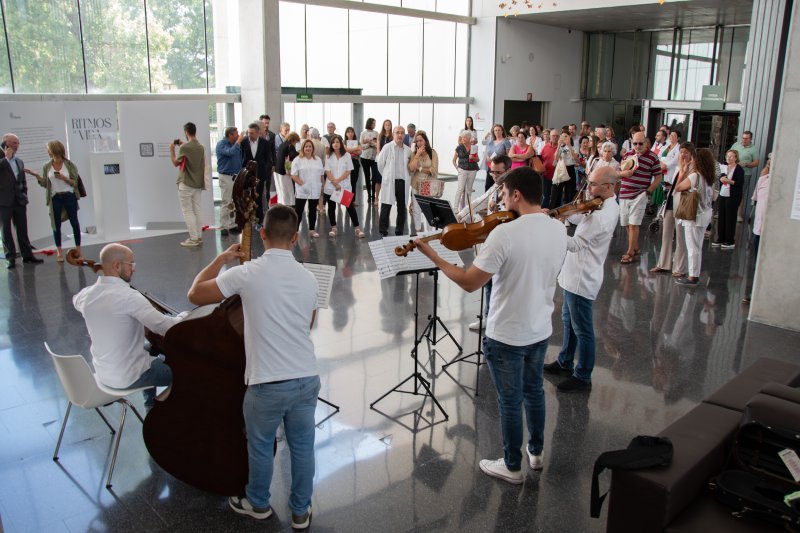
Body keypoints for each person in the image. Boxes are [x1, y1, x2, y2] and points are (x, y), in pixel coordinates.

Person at [414, 166, 567, 484]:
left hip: (507, 334)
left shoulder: (505, 234)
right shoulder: (558, 229)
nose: (499, 201)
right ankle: (535, 453)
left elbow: (471, 283)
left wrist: (435, 257)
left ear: (516, 195)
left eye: (502, 194)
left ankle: (512, 466)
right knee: (534, 392)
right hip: (540, 329)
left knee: (510, 401)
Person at [186, 205, 319, 528]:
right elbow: (310, 322)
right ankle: (301, 511)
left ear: (262, 234)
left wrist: (219, 260)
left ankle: (257, 503)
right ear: (296, 237)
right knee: (302, 447)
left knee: (260, 445)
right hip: (306, 377)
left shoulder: (247, 273)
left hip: (267, 382)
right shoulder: (310, 277)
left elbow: (195, 295)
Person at [73, 243, 182, 409]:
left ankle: (151, 407)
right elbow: (165, 327)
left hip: (104, 373)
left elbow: (77, 301)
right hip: (129, 376)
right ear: (117, 266)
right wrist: (185, 316)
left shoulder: (86, 296)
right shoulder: (129, 297)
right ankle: (165, 418)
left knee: (150, 348)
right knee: (189, 370)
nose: (134, 268)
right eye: (131, 264)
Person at [544, 166, 620, 392]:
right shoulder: (602, 204)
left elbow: (575, 244)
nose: (589, 188)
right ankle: (565, 361)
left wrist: (554, 227)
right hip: (574, 274)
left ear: (609, 186)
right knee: (568, 320)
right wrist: (566, 213)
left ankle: (583, 375)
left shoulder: (603, 215)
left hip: (582, 278)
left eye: (594, 184)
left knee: (583, 329)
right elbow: (581, 218)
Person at [618, 131, 662, 264]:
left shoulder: (653, 157)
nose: (637, 146)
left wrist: (648, 191)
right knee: (626, 223)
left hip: (640, 194)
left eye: (640, 143)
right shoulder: (627, 155)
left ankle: (630, 252)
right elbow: (621, 173)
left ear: (646, 142)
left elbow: (658, 177)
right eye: (635, 143)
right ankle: (635, 247)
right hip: (625, 192)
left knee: (634, 224)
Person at [673, 148, 715, 286]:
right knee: (697, 245)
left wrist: (683, 171)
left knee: (692, 246)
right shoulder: (709, 177)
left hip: (694, 215)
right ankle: (694, 273)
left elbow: (678, 188)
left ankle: (693, 276)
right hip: (705, 213)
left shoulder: (695, 176)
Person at [2, 133, 42, 269]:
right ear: (5, 143)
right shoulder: (2, 159)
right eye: (14, 143)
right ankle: (10, 258)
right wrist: (6, 159)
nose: (16, 146)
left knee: (22, 229)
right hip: (4, 202)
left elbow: (22, 181)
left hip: (19, 201)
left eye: (18, 143)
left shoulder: (19, 161)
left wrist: (24, 193)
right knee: (6, 231)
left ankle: (28, 256)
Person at [650, 133, 686, 274]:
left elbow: (682, 186)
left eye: (685, 153)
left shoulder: (691, 170)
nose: (682, 155)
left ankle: (679, 267)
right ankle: (663, 263)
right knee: (666, 235)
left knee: (681, 237)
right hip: (670, 200)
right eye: (681, 152)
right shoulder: (678, 168)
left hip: (681, 203)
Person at [169, 122, 206, 247]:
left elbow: (175, 163)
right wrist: (183, 145)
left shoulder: (185, 148)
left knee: (188, 211)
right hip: (197, 184)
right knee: (197, 210)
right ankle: (199, 236)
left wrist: (172, 149)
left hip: (186, 183)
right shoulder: (201, 147)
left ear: (186, 132)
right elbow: (192, 152)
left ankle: (193, 238)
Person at [322, 135, 364, 239]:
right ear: (331, 145)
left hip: (343, 186)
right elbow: (327, 171)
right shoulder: (328, 156)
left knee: (350, 208)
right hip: (331, 187)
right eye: (333, 142)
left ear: (341, 143)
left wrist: (338, 181)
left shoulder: (347, 156)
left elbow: (348, 171)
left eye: (337, 142)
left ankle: (357, 228)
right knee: (331, 208)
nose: (335, 144)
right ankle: (334, 228)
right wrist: (335, 183)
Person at [376, 126, 412, 236]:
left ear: (404, 135)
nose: (400, 135)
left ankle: (399, 230)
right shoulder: (387, 147)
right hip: (390, 181)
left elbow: (410, 167)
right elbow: (380, 164)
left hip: (403, 182)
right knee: (386, 206)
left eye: (402, 133)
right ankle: (383, 231)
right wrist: (386, 176)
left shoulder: (408, 150)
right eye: (397, 133)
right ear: (393, 134)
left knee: (402, 208)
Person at [291, 139, 324, 238]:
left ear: (313, 148)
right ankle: (295, 231)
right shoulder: (297, 159)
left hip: (315, 188)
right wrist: (302, 184)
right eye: (306, 146)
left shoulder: (317, 159)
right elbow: (294, 175)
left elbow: (321, 174)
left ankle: (312, 230)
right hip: (302, 190)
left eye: (310, 146)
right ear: (303, 148)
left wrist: (322, 186)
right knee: (299, 211)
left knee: (313, 210)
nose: (308, 148)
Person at [242, 122, 275, 222]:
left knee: (259, 196)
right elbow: (242, 158)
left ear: (257, 133)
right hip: (247, 174)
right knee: (247, 196)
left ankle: (260, 218)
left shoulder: (264, 143)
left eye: (251, 133)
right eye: (248, 133)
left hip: (260, 174)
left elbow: (267, 159)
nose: (249, 135)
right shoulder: (244, 142)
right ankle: (247, 218)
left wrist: (263, 168)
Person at [407, 131, 438, 233]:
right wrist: (417, 154)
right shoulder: (414, 153)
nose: (419, 143)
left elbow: (433, 170)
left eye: (421, 140)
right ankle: (418, 230)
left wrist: (420, 168)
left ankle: (429, 232)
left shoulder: (432, 153)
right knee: (416, 208)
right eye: (417, 141)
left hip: (429, 185)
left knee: (428, 208)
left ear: (425, 141)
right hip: (416, 184)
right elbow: (411, 168)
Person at [215, 127, 244, 236]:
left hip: (235, 176)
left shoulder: (235, 144)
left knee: (234, 201)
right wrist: (238, 142)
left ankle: (232, 224)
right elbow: (230, 153)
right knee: (226, 201)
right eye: (236, 134)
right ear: (230, 135)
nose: (238, 136)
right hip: (226, 176)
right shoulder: (221, 144)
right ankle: (223, 225)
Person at [715, 149, 744, 249]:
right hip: (723, 194)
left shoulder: (739, 169)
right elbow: (721, 177)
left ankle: (730, 240)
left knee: (730, 217)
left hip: (733, 195)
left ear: (736, 158)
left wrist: (729, 181)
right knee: (721, 216)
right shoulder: (724, 167)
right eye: (728, 156)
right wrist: (722, 179)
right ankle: (720, 238)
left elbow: (739, 183)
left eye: (731, 156)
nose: (729, 158)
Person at [730, 131, 760, 221]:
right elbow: (729, 154)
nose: (744, 140)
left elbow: (756, 162)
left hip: (745, 174)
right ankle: (727, 212)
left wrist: (746, 164)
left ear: (750, 139)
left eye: (746, 138)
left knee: (741, 193)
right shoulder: (736, 145)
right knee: (728, 191)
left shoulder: (753, 149)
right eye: (743, 138)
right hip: (732, 171)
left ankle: (738, 215)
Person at [452, 130, 480, 211]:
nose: (462, 139)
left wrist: (473, 158)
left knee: (469, 190)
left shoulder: (473, 147)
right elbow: (453, 160)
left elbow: (477, 159)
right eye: (462, 137)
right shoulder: (459, 147)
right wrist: (458, 169)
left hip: (472, 170)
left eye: (464, 137)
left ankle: (467, 209)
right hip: (462, 170)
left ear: (469, 138)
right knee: (460, 188)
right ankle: (455, 208)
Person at [551, 131, 579, 207]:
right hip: (560, 169)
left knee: (569, 192)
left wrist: (569, 145)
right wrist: (558, 145)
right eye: (562, 136)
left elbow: (575, 158)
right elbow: (556, 158)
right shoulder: (559, 147)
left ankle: (568, 211)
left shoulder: (574, 147)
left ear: (569, 137)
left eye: (566, 136)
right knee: (555, 192)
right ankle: (553, 210)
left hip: (570, 169)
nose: (564, 138)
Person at [482, 124, 511, 191]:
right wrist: (487, 157)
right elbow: (486, 150)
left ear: (502, 131)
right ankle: (488, 200)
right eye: (495, 130)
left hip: (500, 168)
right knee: (488, 186)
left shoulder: (506, 141)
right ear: (493, 132)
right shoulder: (490, 141)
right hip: (491, 166)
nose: (497, 132)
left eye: (499, 130)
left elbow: (508, 156)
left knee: (499, 186)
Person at [276, 132, 300, 206]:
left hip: (278, 170)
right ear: (294, 140)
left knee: (281, 189)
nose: (296, 143)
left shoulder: (282, 144)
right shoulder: (290, 146)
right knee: (289, 189)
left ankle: (282, 203)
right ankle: (290, 204)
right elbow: (292, 156)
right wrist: (299, 154)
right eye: (296, 141)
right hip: (285, 170)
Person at [359, 118, 379, 205]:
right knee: (367, 177)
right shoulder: (363, 133)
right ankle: (369, 195)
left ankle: (374, 196)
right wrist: (369, 144)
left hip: (374, 158)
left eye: (375, 123)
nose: (374, 125)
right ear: (369, 123)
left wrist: (371, 143)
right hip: (364, 158)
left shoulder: (376, 133)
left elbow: (378, 145)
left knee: (374, 177)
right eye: (373, 123)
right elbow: (361, 146)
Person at [539, 130, 559, 208]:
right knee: (545, 196)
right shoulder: (546, 146)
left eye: (557, 136)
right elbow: (541, 158)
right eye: (553, 135)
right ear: (550, 137)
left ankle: (553, 212)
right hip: (546, 175)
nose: (555, 137)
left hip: (557, 177)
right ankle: (544, 212)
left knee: (555, 196)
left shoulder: (561, 147)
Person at [343, 127, 362, 203]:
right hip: (346, 163)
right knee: (347, 182)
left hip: (355, 162)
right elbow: (346, 150)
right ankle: (346, 200)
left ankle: (352, 201)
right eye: (348, 132)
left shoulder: (357, 142)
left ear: (354, 133)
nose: (350, 133)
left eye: (352, 132)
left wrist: (351, 150)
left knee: (353, 182)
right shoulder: (343, 142)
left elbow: (360, 152)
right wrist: (355, 149)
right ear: (346, 134)